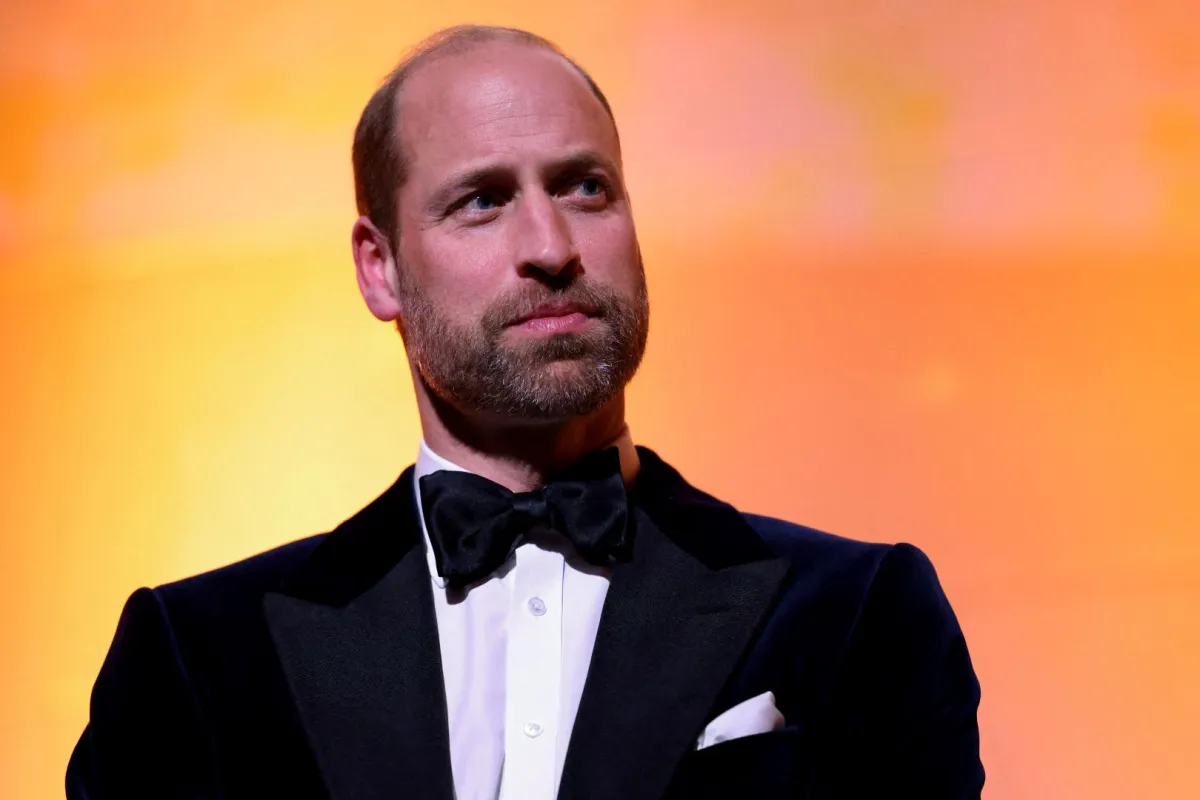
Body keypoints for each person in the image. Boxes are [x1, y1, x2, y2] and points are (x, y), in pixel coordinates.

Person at [66, 24, 984, 800]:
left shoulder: (859, 617)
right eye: (482, 201)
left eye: (586, 187)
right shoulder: (198, 657)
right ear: (379, 268)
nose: (551, 247)